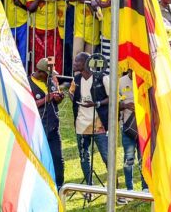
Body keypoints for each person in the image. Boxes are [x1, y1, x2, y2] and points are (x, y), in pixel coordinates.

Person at [70, 52, 110, 186]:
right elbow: (71, 94)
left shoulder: (103, 78)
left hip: (99, 125)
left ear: (86, 63)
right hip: (81, 124)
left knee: (107, 156)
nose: (74, 64)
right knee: (84, 157)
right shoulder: (76, 80)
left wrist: (96, 104)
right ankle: (89, 186)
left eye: (77, 62)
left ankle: (113, 188)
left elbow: (112, 98)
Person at [28, 57, 65, 188]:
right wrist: (46, 99)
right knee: (39, 160)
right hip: (37, 130)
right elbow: (28, 105)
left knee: (58, 160)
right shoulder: (27, 83)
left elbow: (56, 99)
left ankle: (60, 188)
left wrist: (58, 98)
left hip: (53, 127)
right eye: (48, 75)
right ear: (40, 72)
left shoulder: (50, 80)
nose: (50, 77)